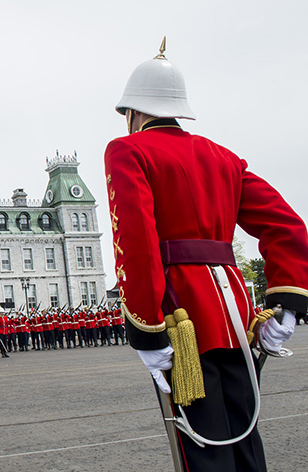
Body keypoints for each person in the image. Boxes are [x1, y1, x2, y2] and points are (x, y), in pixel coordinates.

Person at [106, 40, 308, 471]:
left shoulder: (128, 150)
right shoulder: (224, 157)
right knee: (245, 440)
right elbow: (287, 226)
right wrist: (285, 306)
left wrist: (148, 328)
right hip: (236, 315)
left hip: (182, 317)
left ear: (134, 113)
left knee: (202, 449)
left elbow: (136, 241)